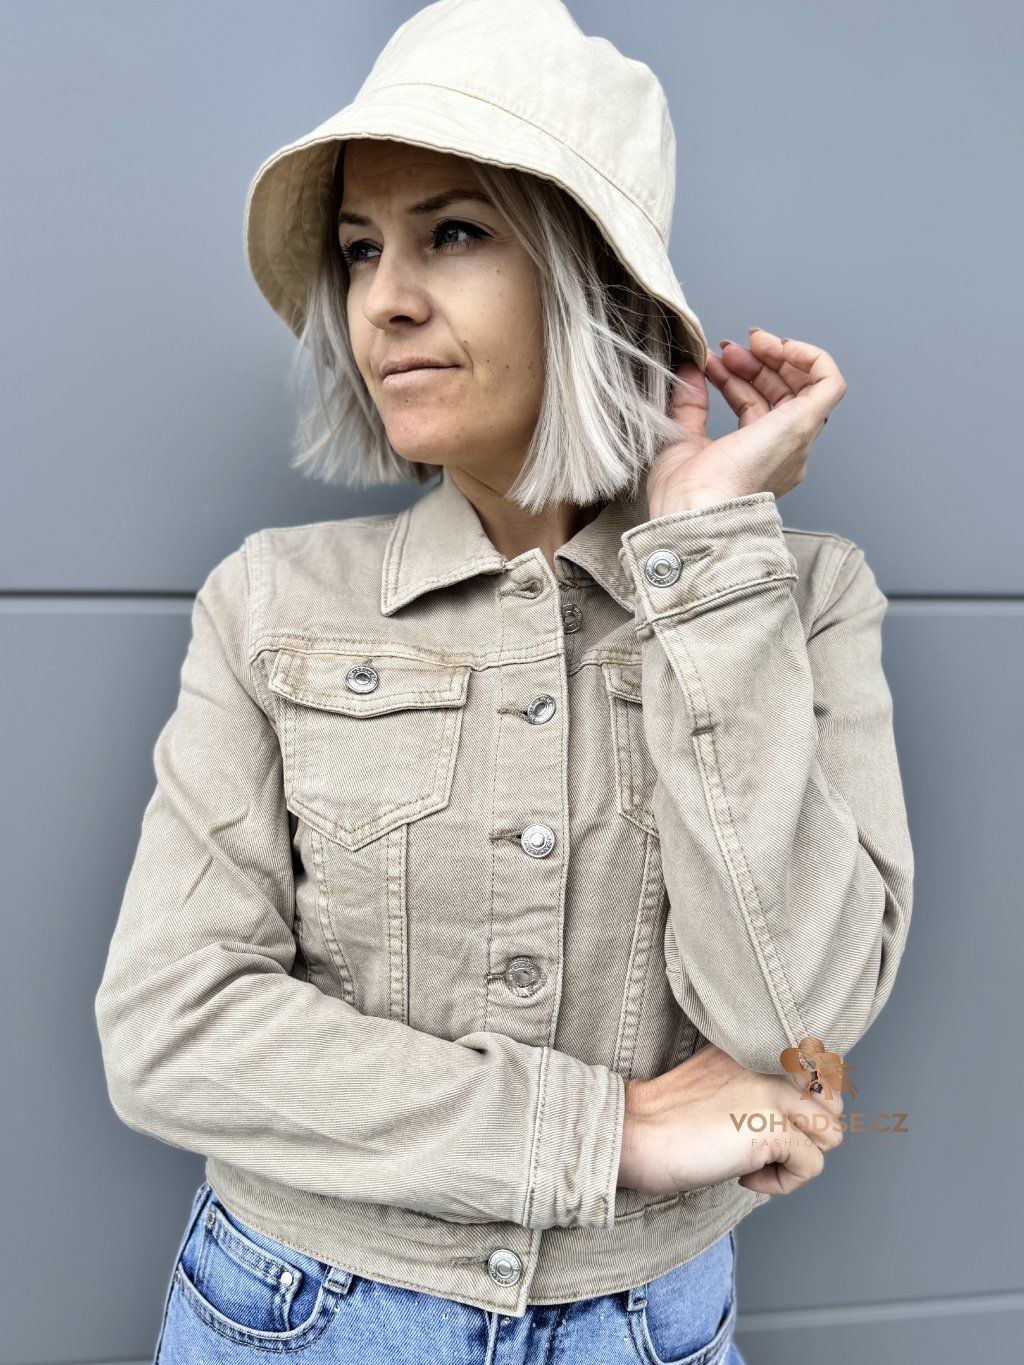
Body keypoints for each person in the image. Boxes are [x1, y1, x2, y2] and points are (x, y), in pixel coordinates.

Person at [93, 2, 914, 1361]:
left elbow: (795, 1026)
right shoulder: (271, 600)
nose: (384, 300)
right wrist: (609, 1131)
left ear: (599, 285)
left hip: (649, 1330)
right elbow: (169, 1031)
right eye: (361, 249)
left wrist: (705, 558)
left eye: (455, 233)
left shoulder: (800, 601)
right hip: (297, 1319)